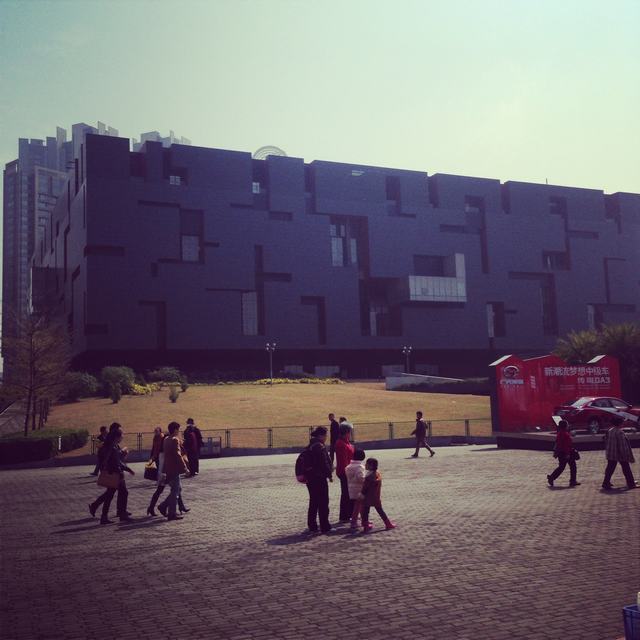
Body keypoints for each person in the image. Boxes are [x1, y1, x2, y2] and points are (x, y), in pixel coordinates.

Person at [88, 426, 135, 524]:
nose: (122, 437)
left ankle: (103, 514)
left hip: (112, 473)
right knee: (122, 493)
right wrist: (126, 469)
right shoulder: (112, 447)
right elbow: (117, 462)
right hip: (115, 474)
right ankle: (120, 514)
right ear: (117, 437)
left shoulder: (110, 445)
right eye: (121, 435)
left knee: (110, 495)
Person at [158, 422, 190, 520]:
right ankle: (171, 513)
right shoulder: (175, 440)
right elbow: (178, 455)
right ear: (175, 429)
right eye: (178, 429)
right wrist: (185, 468)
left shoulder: (166, 439)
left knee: (177, 489)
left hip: (167, 468)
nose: (179, 431)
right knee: (176, 490)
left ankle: (163, 506)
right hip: (174, 468)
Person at [305, 426, 332, 534]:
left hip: (310, 478)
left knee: (313, 502)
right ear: (321, 435)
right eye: (325, 435)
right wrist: (329, 474)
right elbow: (324, 463)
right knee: (323, 502)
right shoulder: (319, 446)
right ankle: (325, 526)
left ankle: (312, 526)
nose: (326, 437)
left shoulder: (310, 445)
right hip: (319, 478)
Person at [359, 457, 396, 532]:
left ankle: (366, 526)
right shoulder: (377, 474)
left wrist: (362, 494)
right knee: (380, 510)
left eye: (367, 464)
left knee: (365, 512)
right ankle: (388, 523)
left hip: (367, 497)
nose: (365, 465)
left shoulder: (369, 477)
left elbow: (365, 487)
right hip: (375, 496)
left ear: (371, 466)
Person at [602, 416, 638, 490]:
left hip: (611, 453)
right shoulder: (620, 432)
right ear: (620, 423)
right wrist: (626, 455)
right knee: (626, 468)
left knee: (610, 468)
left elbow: (605, 439)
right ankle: (631, 483)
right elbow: (622, 446)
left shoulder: (610, 430)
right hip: (619, 454)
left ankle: (606, 483)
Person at [546, 420, 580, 487]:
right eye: (567, 425)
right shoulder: (565, 434)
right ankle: (572, 481)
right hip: (566, 453)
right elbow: (566, 445)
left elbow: (558, 443)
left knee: (562, 467)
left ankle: (552, 477)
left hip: (561, 453)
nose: (568, 426)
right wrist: (567, 454)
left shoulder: (559, 433)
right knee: (572, 467)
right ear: (565, 426)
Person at [335, 421, 355, 521]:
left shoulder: (346, 442)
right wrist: (348, 473)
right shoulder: (340, 443)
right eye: (349, 431)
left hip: (349, 471)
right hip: (345, 472)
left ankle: (350, 514)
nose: (350, 433)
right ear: (346, 432)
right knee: (346, 494)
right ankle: (344, 516)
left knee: (350, 493)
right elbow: (343, 461)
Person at [147, 427, 167, 516]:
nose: (155, 432)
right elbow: (154, 448)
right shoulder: (159, 439)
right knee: (175, 489)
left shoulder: (162, 437)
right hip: (164, 471)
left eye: (156, 431)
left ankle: (151, 507)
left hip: (161, 466)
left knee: (176, 489)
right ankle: (154, 507)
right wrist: (151, 458)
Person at [345, 448, 366, 531]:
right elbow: (360, 478)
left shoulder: (348, 466)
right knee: (359, 507)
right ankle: (354, 522)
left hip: (351, 489)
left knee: (358, 506)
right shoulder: (359, 467)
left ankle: (363, 520)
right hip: (359, 489)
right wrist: (367, 479)